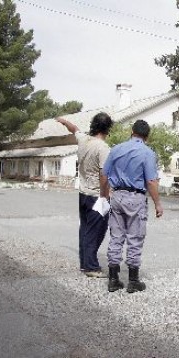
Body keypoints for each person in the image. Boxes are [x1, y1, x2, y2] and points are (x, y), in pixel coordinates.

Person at [102, 119, 163, 293]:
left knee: (116, 237)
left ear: (132, 132)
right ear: (147, 136)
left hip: (117, 195)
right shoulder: (147, 153)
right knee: (135, 238)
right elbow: (151, 181)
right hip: (135, 197)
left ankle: (113, 279)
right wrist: (157, 203)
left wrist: (104, 195)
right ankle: (133, 281)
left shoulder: (116, 149)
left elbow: (104, 175)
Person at [56, 112, 113, 278]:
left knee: (85, 228)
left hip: (83, 193)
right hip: (97, 195)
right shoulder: (103, 148)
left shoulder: (83, 139)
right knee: (96, 231)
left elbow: (74, 129)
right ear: (107, 129)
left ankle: (84, 262)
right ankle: (91, 266)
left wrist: (63, 121)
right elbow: (104, 175)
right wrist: (105, 196)